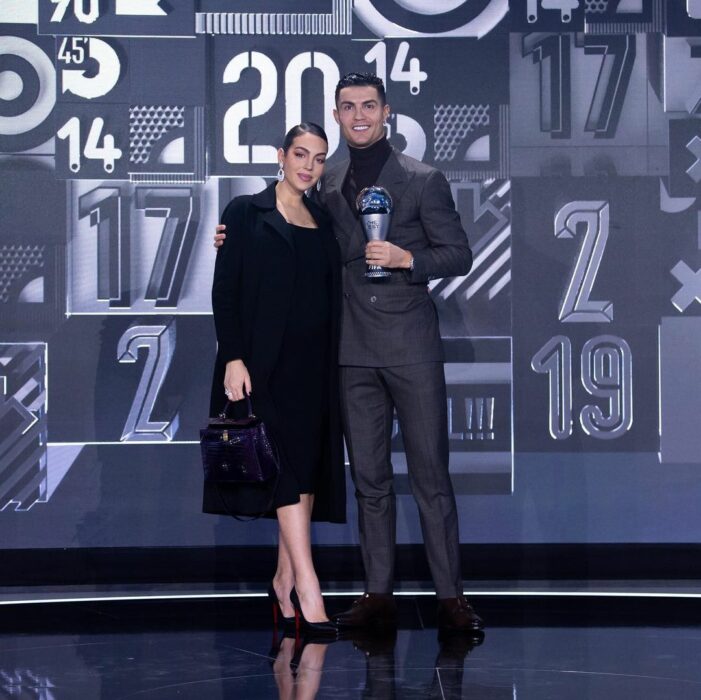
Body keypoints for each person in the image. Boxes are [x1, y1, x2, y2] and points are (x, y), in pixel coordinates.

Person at [215, 74, 483, 634]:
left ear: (387, 112)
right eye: (347, 107)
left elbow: (458, 253)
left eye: (368, 106)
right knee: (369, 479)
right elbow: (290, 232)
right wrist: (235, 236)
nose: (358, 115)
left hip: (410, 346)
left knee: (431, 476)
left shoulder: (422, 178)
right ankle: (377, 592)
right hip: (349, 350)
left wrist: (411, 259)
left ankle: (452, 598)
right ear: (336, 116)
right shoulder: (322, 180)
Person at [206, 122, 344, 635]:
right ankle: (309, 589)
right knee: (283, 470)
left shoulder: (324, 218)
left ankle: (283, 579)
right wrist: (234, 358)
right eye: (301, 154)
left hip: (315, 363)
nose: (309, 165)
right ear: (280, 156)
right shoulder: (245, 212)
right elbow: (225, 290)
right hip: (264, 365)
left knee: (305, 471)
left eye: (319, 157)